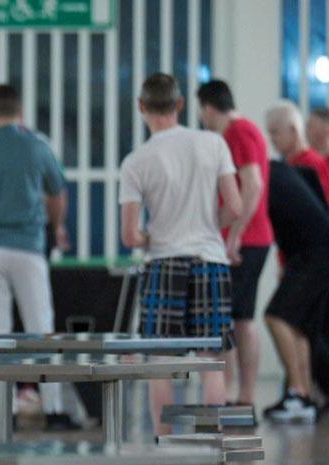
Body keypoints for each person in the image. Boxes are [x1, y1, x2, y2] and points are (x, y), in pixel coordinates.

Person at [118, 73, 244, 436]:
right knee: (211, 361)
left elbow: (130, 235)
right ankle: (212, 452)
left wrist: (154, 234)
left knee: (162, 361)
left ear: (141, 107)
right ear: (180, 105)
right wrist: (206, 225)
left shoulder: (136, 160)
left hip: (163, 262)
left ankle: (166, 449)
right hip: (210, 259)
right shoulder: (212, 143)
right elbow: (234, 207)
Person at [0, 84, 76, 431]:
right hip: (29, 247)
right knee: (41, 328)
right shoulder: (37, 147)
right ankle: (53, 409)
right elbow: (57, 192)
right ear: (20, 112)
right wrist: (56, 228)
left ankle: (5, 411)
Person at [196, 80, 273, 412]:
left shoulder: (238, 133)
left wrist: (235, 233)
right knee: (238, 318)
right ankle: (238, 397)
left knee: (231, 319)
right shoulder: (244, 131)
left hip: (247, 240)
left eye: (201, 112)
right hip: (251, 238)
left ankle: (233, 397)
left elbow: (253, 185)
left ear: (209, 108)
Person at [261, 161, 329, 423]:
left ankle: (298, 394)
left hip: (314, 254)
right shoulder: (281, 169)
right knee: (298, 325)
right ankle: (305, 396)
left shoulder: (262, 175)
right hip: (311, 252)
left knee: (276, 317)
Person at [266, 100, 329, 207]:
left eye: (275, 132)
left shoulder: (312, 163)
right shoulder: (287, 164)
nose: (272, 139)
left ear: (293, 130)